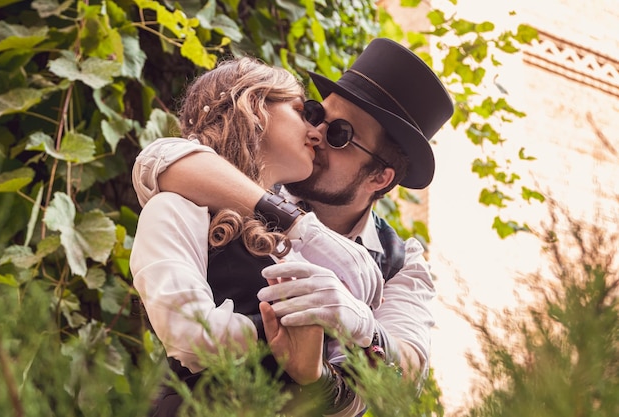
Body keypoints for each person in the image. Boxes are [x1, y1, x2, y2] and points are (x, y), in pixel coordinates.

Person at [133, 38, 454, 414]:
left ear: (380, 179)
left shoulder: (402, 265)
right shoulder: (242, 184)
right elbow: (159, 159)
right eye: (316, 114)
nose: (317, 132)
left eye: (341, 135)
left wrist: (357, 327)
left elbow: (406, 376)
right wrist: (296, 223)